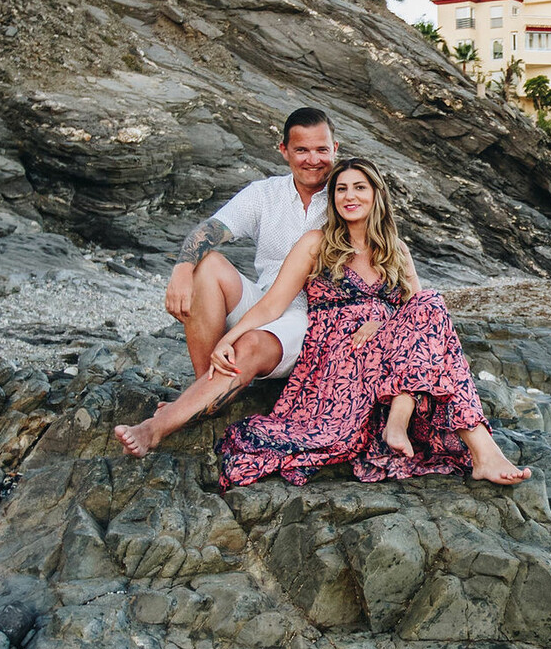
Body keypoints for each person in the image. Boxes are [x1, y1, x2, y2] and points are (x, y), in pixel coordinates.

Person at [115, 157, 529, 486]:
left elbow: (415, 310)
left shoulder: (397, 250)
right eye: (342, 189)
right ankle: (156, 427)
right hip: (337, 353)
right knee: (428, 309)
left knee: (430, 303)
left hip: (386, 355)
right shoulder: (317, 244)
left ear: (376, 194)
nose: (350, 196)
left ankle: (453, 439)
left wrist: (383, 322)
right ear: (332, 199)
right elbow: (274, 303)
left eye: (359, 188)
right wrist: (232, 337)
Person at [157, 106, 338, 400]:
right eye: (302, 150)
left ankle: (202, 397)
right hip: (263, 303)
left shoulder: (347, 195)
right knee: (207, 264)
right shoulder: (265, 194)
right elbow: (210, 229)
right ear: (284, 150)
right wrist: (181, 270)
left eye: (322, 149)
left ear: (335, 148)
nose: (313, 160)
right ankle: (204, 388)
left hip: (315, 317)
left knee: (255, 341)